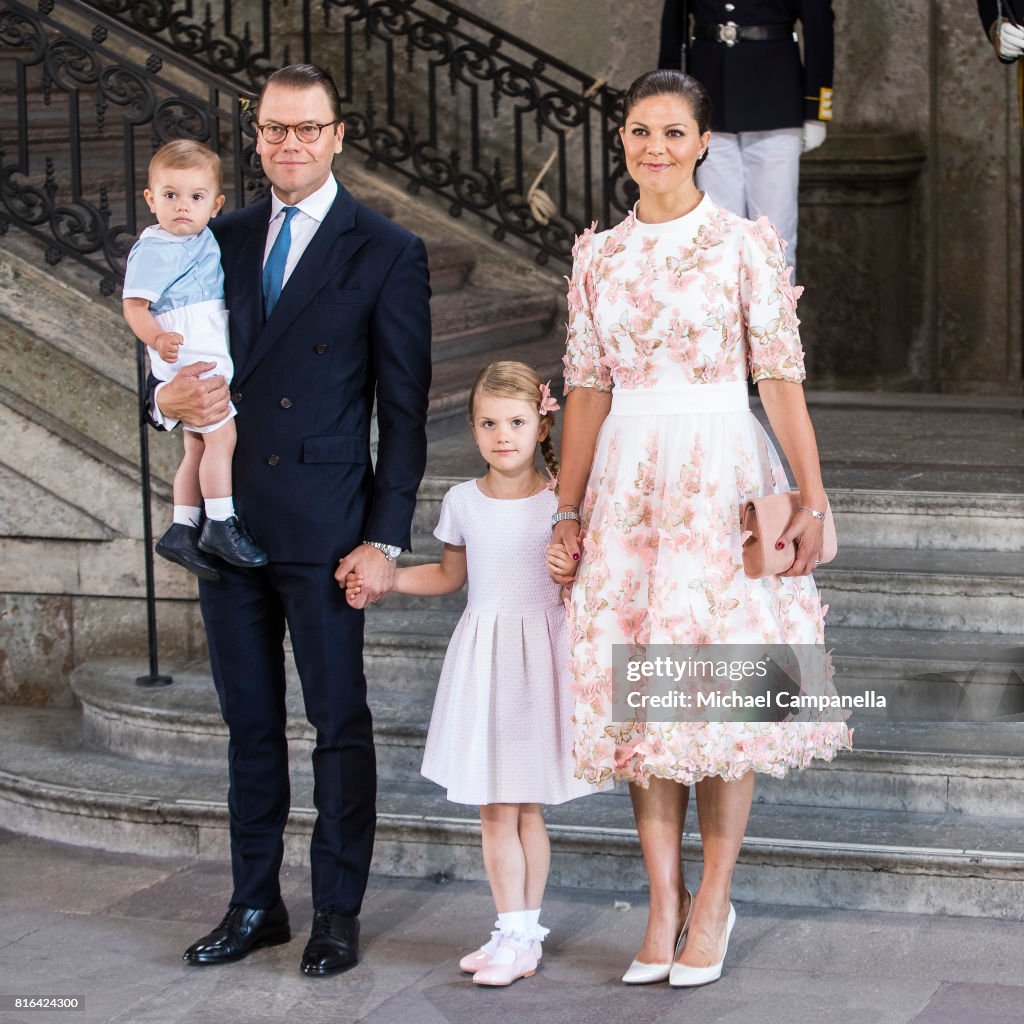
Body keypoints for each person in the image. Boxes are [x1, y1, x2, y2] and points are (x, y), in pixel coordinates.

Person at [549, 69, 851, 988]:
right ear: (623, 141)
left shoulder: (743, 246)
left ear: (704, 142)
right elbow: (587, 391)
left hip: (721, 470)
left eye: (674, 132)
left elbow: (781, 382)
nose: (656, 147)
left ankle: (714, 899)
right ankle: (662, 905)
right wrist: (566, 509)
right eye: (640, 131)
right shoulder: (598, 257)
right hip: (629, 484)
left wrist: (812, 495)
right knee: (644, 696)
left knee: (719, 695)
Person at [149, 64, 432, 976]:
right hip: (229, 526)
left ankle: (338, 913)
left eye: (307, 129)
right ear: (256, 135)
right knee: (250, 725)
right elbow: (168, 347)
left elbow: (406, 410)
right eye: (274, 129)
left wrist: (383, 538)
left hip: (327, 525)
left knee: (339, 724)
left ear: (338, 135)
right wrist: (168, 403)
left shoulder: (385, 247)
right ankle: (254, 902)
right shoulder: (211, 235)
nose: (290, 144)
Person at [347, 361, 605, 987]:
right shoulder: (462, 501)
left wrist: (574, 564)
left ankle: (523, 934)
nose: (502, 435)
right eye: (488, 423)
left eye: (516, 422)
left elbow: (585, 580)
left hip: (541, 661)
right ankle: (509, 929)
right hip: (486, 659)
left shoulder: (562, 504)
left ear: (542, 422)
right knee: (495, 808)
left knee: (526, 807)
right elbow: (448, 576)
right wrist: (387, 580)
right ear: (472, 428)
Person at [124, 140, 267, 581]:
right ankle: (220, 523)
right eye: (170, 195)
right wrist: (158, 339)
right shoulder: (155, 248)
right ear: (151, 200)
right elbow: (134, 306)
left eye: (195, 197)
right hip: (188, 348)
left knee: (198, 446)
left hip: (203, 338)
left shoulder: (205, 236)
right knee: (222, 439)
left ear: (215, 204)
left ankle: (183, 527)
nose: (182, 207)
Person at [658, 0, 835, 272]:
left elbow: (819, 26)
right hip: (709, 98)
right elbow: (674, 26)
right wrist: (671, 101)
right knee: (716, 236)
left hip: (774, 100)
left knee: (773, 238)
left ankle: (773, 314)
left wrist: (816, 109)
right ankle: (720, 315)